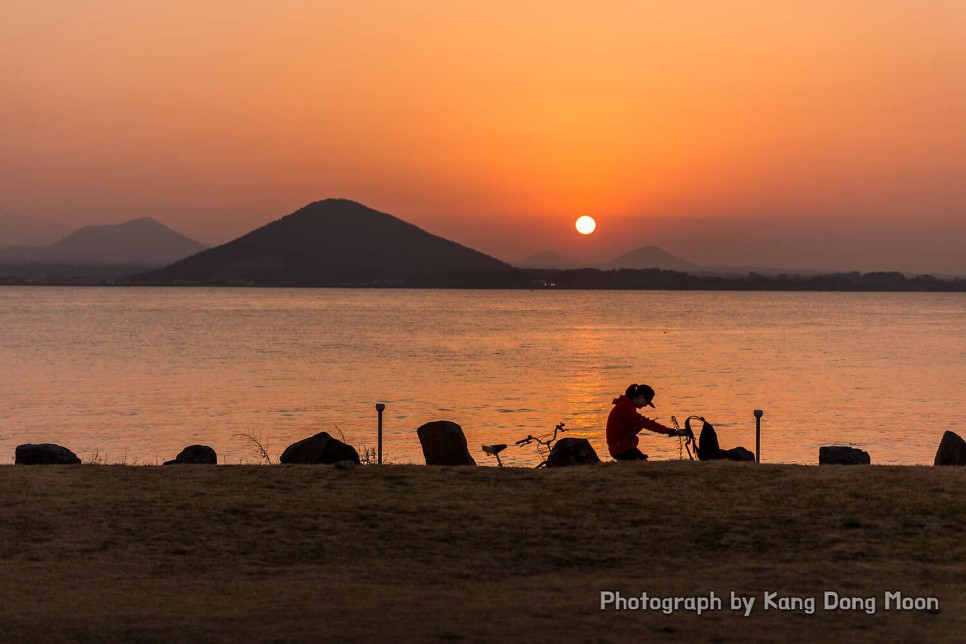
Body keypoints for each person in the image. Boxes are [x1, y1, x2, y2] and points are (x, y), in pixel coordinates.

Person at [606, 383, 684, 461]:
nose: (646, 405)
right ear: (641, 397)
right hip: (621, 449)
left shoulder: (625, 405)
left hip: (620, 447)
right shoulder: (626, 408)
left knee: (642, 461)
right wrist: (671, 431)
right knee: (643, 463)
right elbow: (648, 424)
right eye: (647, 402)